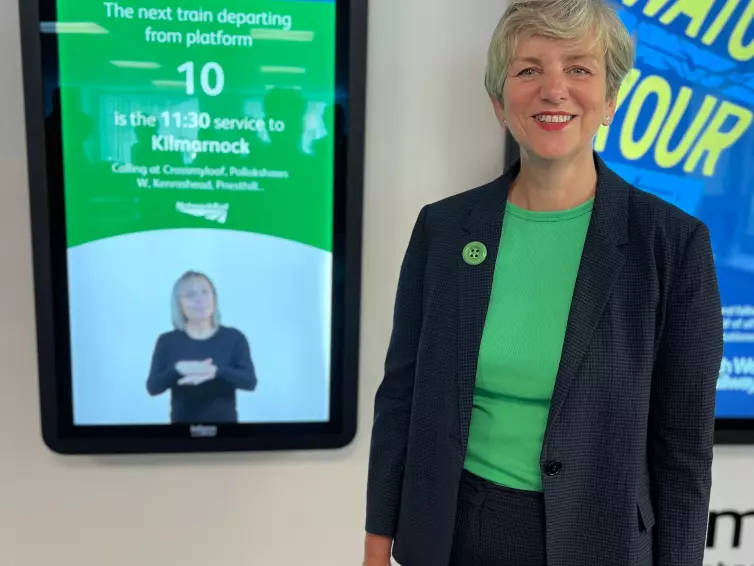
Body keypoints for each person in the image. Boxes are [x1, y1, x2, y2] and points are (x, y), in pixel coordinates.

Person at [364, 1, 724, 565]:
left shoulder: (673, 245)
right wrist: (375, 545)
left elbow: (682, 450)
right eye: (529, 69)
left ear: (610, 100)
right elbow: (401, 401)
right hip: (452, 535)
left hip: (601, 541)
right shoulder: (443, 228)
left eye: (579, 68)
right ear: (497, 101)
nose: (554, 89)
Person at [146, 271, 257, 423]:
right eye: (190, 295)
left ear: (214, 298)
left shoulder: (234, 337)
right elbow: (153, 387)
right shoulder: (167, 341)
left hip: (227, 437)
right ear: (179, 303)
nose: (200, 300)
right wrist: (179, 369)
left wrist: (215, 372)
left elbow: (250, 382)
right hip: (181, 437)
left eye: (205, 292)